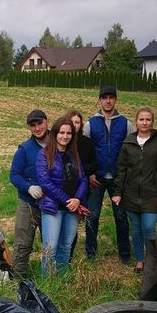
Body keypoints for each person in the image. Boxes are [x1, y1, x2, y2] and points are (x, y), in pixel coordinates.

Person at [111, 106, 157, 274]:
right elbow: (121, 169)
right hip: (130, 195)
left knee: (149, 227)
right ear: (136, 121)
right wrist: (117, 192)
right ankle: (139, 260)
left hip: (152, 195)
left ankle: (152, 261)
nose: (144, 122)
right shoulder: (128, 142)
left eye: (148, 119)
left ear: (152, 122)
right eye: (141, 119)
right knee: (136, 229)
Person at [84, 85, 136, 262]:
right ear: (99, 100)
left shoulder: (126, 124)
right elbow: (85, 153)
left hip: (117, 179)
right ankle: (90, 252)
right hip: (96, 178)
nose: (108, 101)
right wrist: (89, 174)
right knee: (93, 216)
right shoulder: (90, 124)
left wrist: (125, 176)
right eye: (104, 97)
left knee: (121, 216)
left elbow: (132, 151)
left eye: (111, 97)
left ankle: (124, 253)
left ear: (115, 100)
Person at [35, 117, 87, 275]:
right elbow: (45, 182)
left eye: (69, 133)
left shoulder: (73, 155)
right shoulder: (44, 155)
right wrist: (67, 201)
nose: (65, 136)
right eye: (62, 132)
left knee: (66, 246)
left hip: (72, 209)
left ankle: (62, 280)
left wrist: (77, 199)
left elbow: (83, 178)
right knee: (50, 249)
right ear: (55, 133)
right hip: (53, 208)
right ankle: (48, 284)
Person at [8, 109, 49, 277]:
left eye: (40, 124)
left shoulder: (59, 141)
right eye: (33, 126)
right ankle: (19, 278)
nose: (37, 128)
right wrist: (28, 187)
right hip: (29, 202)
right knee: (23, 242)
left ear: (47, 122)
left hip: (52, 202)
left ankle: (53, 276)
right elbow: (14, 175)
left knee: (52, 242)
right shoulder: (25, 149)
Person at [65, 109, 96, 255]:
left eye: (77, 122)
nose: (74, 125)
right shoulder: (61, 140)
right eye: (71, 122)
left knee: (73, 223)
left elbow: (94, 163)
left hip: (81, 189)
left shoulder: (87, 142)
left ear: (81, 125)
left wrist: (80, 169)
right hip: (63, 188)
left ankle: (69, 254)